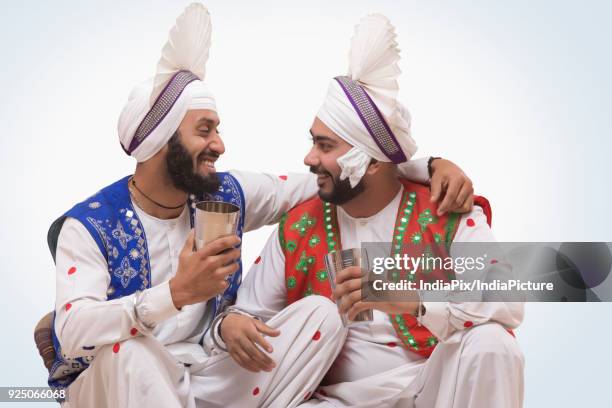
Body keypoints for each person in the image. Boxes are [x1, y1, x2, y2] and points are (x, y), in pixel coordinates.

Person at [48, 4, 475, 407]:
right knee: (132, 353)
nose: (219, 144)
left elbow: (527, 285)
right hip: (118, 384)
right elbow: (70, 333)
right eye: (205, 130)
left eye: (323, 144)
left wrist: (426, 165)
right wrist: (180, 297)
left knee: (483, 343)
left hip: (417, 384)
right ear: (162, 139)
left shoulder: (450, 211)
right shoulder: (88, 226)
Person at [217, 13, 524, 408]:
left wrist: (412, 298)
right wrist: (231, 324)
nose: (309, 158)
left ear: (373, 162)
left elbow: (509, 299)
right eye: (314, 142)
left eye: (326, 147)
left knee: (494, 343)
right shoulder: (300, 225)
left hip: (431, 386)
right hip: (332, 399)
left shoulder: (445, 211)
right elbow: (250, 312)